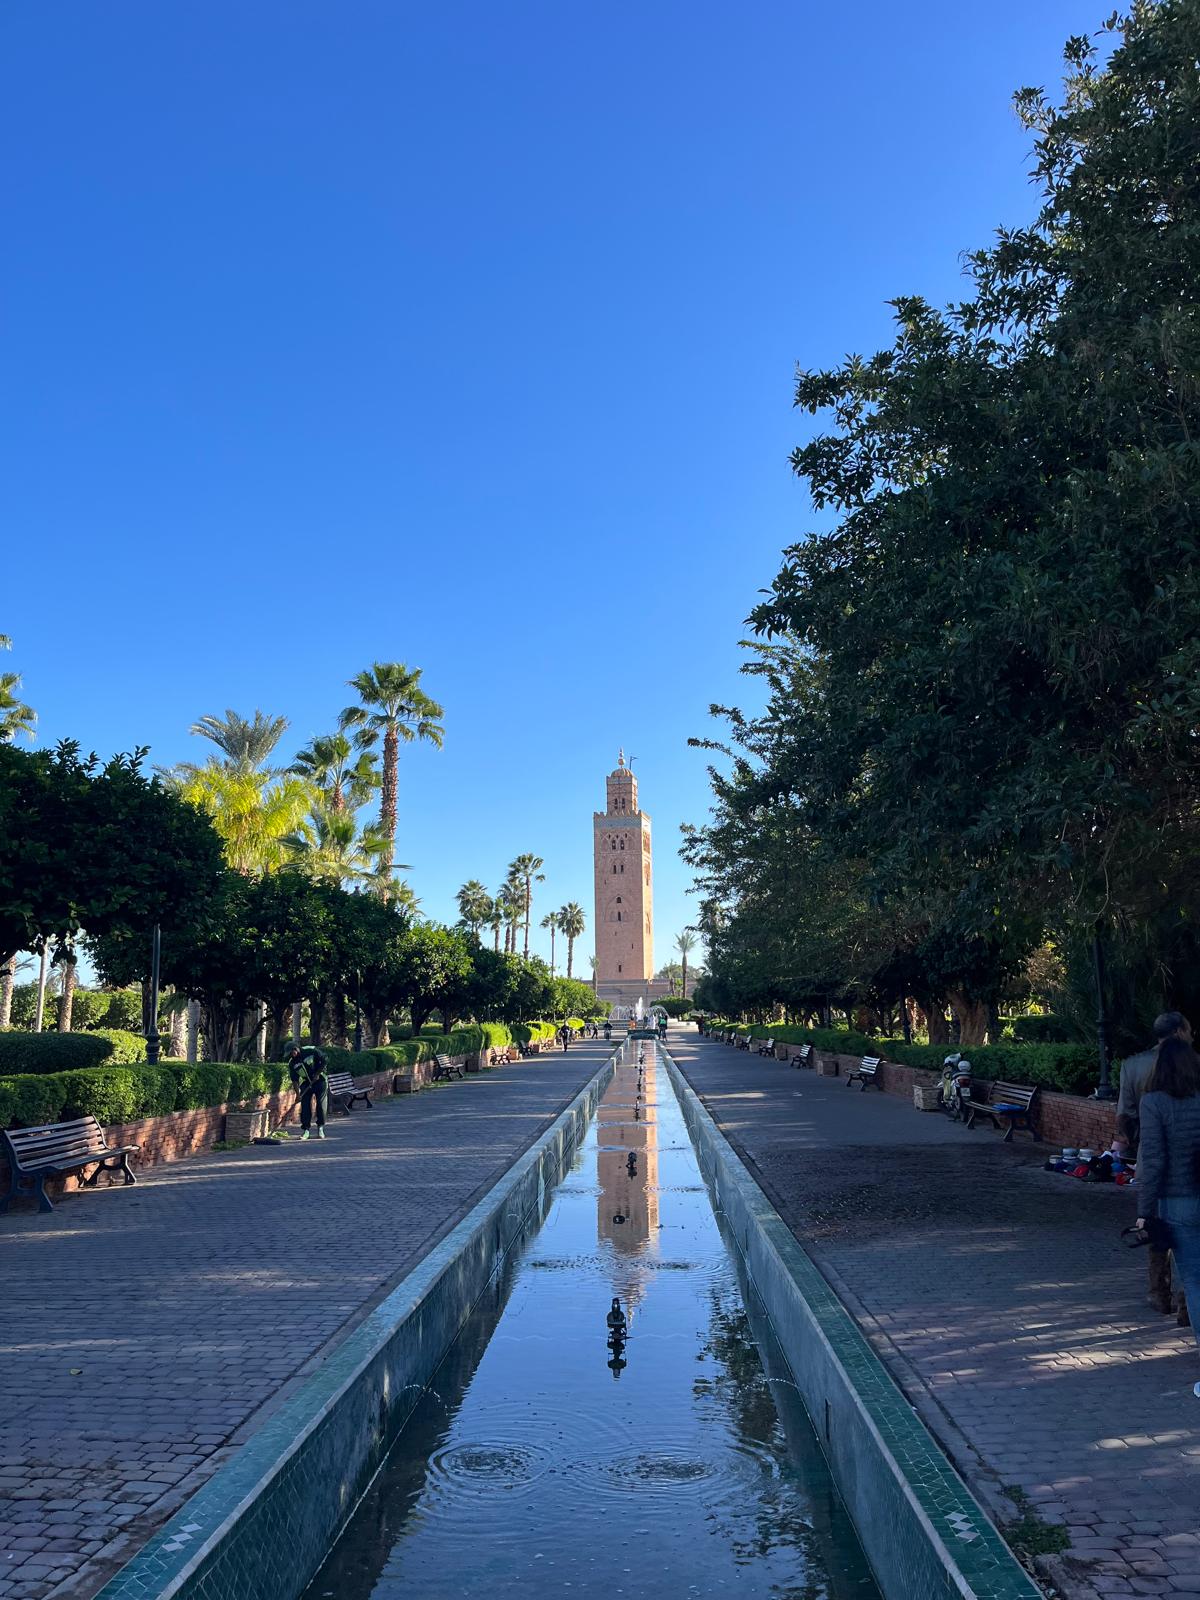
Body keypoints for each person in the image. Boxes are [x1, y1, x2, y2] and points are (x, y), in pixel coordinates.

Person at [1135, 1036, 1200, 1392]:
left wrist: (1144, 1212)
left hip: (1179, 1201)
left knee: (1194, 1281)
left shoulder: (1154, 1102)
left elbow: (1155, 1161)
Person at [1119, 1011, 1192, 1317]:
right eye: (1190, 1030)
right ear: (1179, 1032)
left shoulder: (1131, 1065)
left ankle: (1158, 1292)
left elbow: (1125, 1116)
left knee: (1157, 1230)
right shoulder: (1191, 1062)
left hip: (1150, 1158)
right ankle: (1187, 1302)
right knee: (1190, 1242)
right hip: (1190, 1163)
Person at [289, 1043, 329, 1141]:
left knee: (320, 1105)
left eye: (292, 1052)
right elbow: (295, 1080)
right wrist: (298, 1095)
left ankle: (320, 1128)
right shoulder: (292, 1063)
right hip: (307, 1083)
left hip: (320, 1080)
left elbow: (325, 1059)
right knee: (305, 1105)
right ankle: (306, 1130)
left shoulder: (310, 1050)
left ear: (296, 1049)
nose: (291, 1055)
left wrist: (318, 1073)